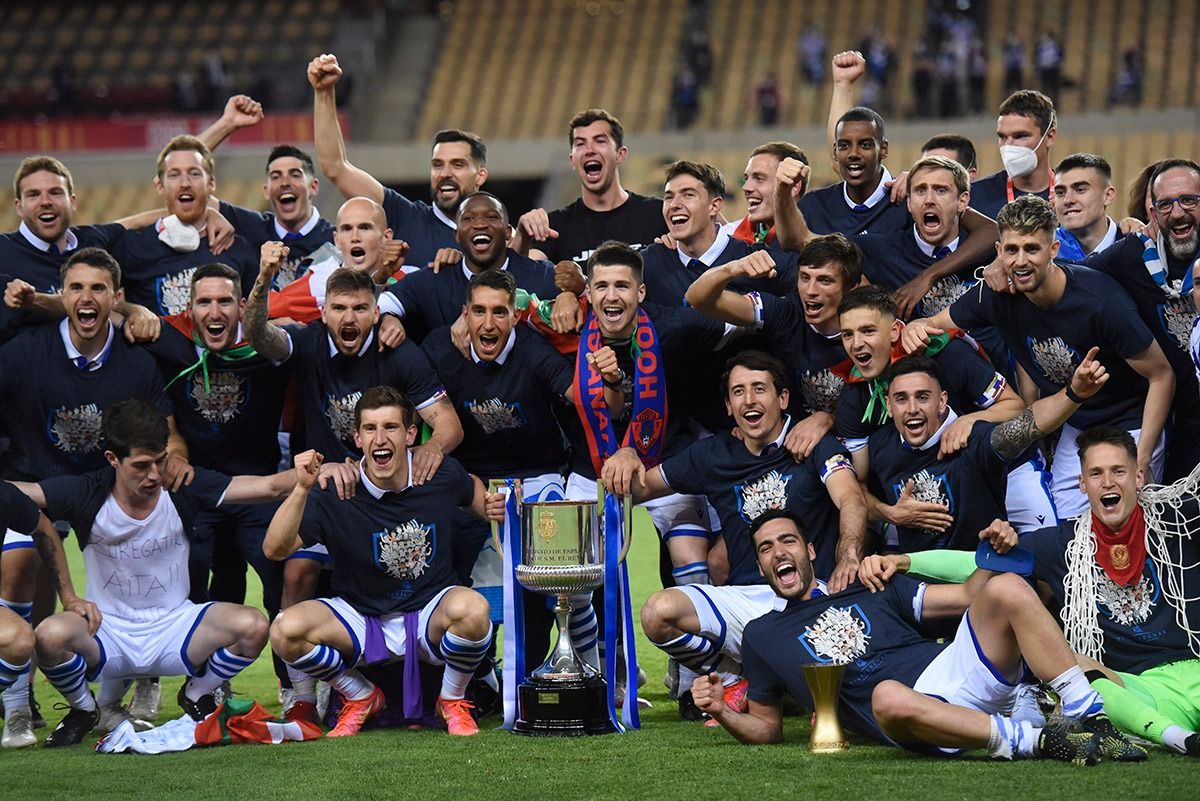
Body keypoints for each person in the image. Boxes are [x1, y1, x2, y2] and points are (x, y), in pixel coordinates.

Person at [695, 509, 1146, 763]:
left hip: (953, 668)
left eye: (788, 541)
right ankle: (1040, 742)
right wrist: (721, 709)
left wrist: (996, 549)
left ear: (810, 551)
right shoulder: (761, 634)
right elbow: (768, 728)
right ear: (760, 566)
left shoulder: (869, 584)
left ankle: (1094, 719)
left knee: (1005, 586)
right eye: (766, 549)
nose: (779, 553)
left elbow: (971, 593)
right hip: (910, 714)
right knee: (888, 695)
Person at [12, 400, 315, 747]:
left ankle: (197, 692)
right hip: (107, 630)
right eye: (141, 466)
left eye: (159, 461)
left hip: (174, 625)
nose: (154, 474)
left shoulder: (180, 485)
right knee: (48, 635)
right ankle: (83, 709)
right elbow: (24, 493)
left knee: (254, 626)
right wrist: (70, 597)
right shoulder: (87, 492)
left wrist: (317, 471)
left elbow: (268, 488)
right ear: (113, 459)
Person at [603, 350, 867, 724]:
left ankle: (781, 685)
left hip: (811, 598)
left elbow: (851, 498)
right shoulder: (714, 453)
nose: (750, 400)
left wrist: (849, 555)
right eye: (739, 392)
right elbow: (641, 487)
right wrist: (629, 453)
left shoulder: (810, 444)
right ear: (728, 406)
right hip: (748, 600)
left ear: (783, 398)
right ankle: (737, 679)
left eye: (760, 389)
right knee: (658, 614)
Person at [904, 195, 1174, 517]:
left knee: (1126, 520)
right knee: (1067, 528)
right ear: (998, 252)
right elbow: (932, 324)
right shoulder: (994, 296)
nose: (1021, 261)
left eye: (1032, 249)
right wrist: (914, 328)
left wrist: (1142, 457)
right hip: (1075, 423)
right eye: (1012, 250)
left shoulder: (1099, 302)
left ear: (1053, 250)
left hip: (1130, 421)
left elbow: (1162, 375)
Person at [264, 386, 504, 737]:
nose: (381, 438)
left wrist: (492, 506)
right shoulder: (337, 488)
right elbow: (275, 549)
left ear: (409, 434)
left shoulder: (437, 472)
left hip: (428, 610)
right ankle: (360, 695)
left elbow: (476, 494)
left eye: (390, 427)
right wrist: (302, 488)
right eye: (371, 428)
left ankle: (451, 700)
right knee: (284, 630)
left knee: (474, 610)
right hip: (360, 614)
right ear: (357, 438)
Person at [142, 263, 292, 700]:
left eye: (225, 300)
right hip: (196, 490)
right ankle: (207, 683)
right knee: (197, 585)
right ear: (189, 309)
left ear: (242, 307)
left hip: (259, 488)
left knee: (279, 579)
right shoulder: (169, 347)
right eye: (204, 301)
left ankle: (293, 685)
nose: (215, 310)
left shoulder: (267, 350)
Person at [836, 287, 1055, 535]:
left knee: (1042, 551)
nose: (857, 344)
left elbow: (1014, 406)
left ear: (895, 331)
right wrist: (891, 513)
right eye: (847, 335)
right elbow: (858, 486)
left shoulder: (946, 353)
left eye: (868, 331)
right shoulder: (853, 397)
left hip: (1008, 471)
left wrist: (969, 421)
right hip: (935, 488)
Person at [864, 351, 1105, 553]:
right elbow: (854, 495)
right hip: (920, 583)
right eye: (901, 399)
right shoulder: (880, 446)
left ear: (941, 401)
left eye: (923, 397)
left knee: (1046, 554)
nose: (912, 408)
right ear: (888, 405)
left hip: (981, 569)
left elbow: (1029, 424)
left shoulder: (972, 440)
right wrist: (889, 513)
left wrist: (1074, 394)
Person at [309, 54, 487, 270]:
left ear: (480, 175)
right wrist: (324, 93)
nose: (445, 173)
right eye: (438, 165)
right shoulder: (406, 217)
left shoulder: (496, 234)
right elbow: (335, 167)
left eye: (457, 165)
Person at [686, 235, 858, 429]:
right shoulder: (786, 312)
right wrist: (732, 269)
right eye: (804, 278)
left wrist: (828, 419)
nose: (810, 290)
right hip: (791, 442)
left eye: (824, 281)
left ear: (851, 288)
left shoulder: (871, 327)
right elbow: (697, 298)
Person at [377, 193, 558, 345]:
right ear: (456, 235)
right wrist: (389, 317)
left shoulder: (542, 275)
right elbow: (381, 304)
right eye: (468, 219)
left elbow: (583, 298)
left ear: (508, 232)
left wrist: (570, 296)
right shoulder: (434, 278)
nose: (479, 224)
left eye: (491, 217)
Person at [107, 136, 258, 317]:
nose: (185, 183)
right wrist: (131, 311)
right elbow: (97, 295)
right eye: (174, 174)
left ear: (211, 184)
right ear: (160, 185)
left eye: (194, 173)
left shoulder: (239, 249)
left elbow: (256, 319)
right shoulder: (133, 246)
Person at [198, 95, 335, 289]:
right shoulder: (249, 228)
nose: (285, 182)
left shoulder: (336, 239)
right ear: (266, 190)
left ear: (313, 187)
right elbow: (183, 176)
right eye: (276, 176)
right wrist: (226, 124)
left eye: (295, 174)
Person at [0, 484, 93, 748]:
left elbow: (44, 528)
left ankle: (18, 708)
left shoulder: (4, 496)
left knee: (19, 639)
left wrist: (70, 597)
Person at [515, 109, 667, 266]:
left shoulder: (658, 214)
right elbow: (520, 277)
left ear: (620, 154)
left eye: (600, 141)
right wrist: (521, 236)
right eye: (580, 144)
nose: (589, 150)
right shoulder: (555, 226)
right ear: (572, 160)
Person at [639, 161, 797, 307]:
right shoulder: (647, 263)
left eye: (688, 195)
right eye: (668, 197)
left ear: (714, 206)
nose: (674, 205)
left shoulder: (755, 261)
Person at [970, 90, 1057, 220]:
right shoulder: (974, 198)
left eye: (1020, 136)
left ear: (1049, 137)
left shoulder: (1069, 198)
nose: (1009, 145)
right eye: (1003, 137)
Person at [718, 141, 808, 247]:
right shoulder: (730, 235)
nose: (746, 187)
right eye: (746, 179)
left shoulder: (820, 238)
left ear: (794, 187)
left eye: (759, 178)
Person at [1052, 153, 1122, 260]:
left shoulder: (1138, 248)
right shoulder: (1044, 252)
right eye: (1060, 193)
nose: (1068, 200)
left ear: (1108, 196)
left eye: (1080, 190)